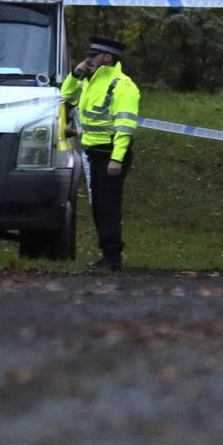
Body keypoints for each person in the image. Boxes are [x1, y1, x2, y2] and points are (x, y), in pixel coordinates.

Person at [61, 35, 140, 270]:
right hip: (94, 153)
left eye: (92, 56)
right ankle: (108, 254)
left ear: (108, 57)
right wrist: (75, 75)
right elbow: (66, 97)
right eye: (88, 55)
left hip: (110, 155)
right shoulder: (90, 81)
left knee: (108, 207)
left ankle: (113, 256)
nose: (88, 59)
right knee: (99, 206)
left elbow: (125, 126)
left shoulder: (123, 86)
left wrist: (117, 158)